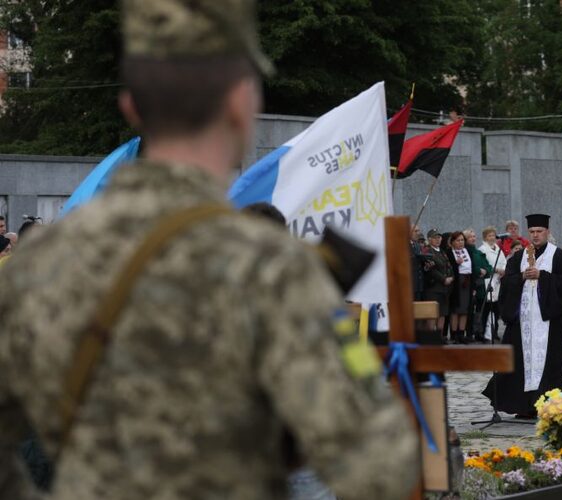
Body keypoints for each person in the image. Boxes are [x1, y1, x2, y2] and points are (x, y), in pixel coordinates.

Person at [0, 1, 419, 498]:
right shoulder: (278, 272)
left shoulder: (34, 266)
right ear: (241, 106)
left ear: (132, 106)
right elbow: (384, 461)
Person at [482, 214, 562, 417]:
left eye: (539, 231)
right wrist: (522, 276)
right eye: (532, 231)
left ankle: (548, 407)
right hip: (522, 323)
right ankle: (522, 407)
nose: (535, 235)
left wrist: (543, 276)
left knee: (549, 365)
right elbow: (507, 283)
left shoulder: (558, 256)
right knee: (518, 364)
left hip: (547, 323)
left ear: (547, 232)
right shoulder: (518, 257)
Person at [447, 231, 481, 344]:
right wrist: (456, 263)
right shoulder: (449, 253)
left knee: (465, 309)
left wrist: (474, 286)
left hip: (468, 282)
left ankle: (462, 333)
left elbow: (473, 269)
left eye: (462, 240)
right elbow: (448, 268)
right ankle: (454, 334)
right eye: (458, 240)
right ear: (452, 242)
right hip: (456, 283)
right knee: (456, 310)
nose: (461, 242)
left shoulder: (468, 251)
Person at [423, 228, 454, 341]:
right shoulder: (427, 251)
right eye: (435, 238)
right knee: (432, 314)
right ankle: (431, 338)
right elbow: (431, 270)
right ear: (429, 239)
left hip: (444, 289)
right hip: (433, 288)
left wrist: (451, 277)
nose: (438, 240)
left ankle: (439, 337)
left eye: (439, 237)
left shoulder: (442, 251)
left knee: (442, 314)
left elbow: (448, 266)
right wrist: (443, 279)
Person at [478, 226, 506, 343]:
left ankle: (494, 332)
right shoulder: (482, 249)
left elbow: (503, 261)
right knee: (487, 309)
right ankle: (484, 333)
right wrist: (496, 270)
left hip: (498, 280)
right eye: (489, 235)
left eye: (493, 235)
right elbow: (485, 264)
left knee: (495, 309)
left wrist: (503, 270)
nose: (492, 238)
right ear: (485, 237)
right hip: (488, 281)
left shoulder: (498, 248)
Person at [463, 228, 492, 342]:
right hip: (471, 285)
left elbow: (488, 266)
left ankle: (480, 333)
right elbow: (469, 266)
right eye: (470, 237)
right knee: (470, 311)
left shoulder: (479, 253)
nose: (473, 238)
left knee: (481, 310)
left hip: (482, 286)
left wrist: (486, 271)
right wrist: (478, 270)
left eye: (474, 236)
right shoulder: (465, 251)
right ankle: (469, 333)